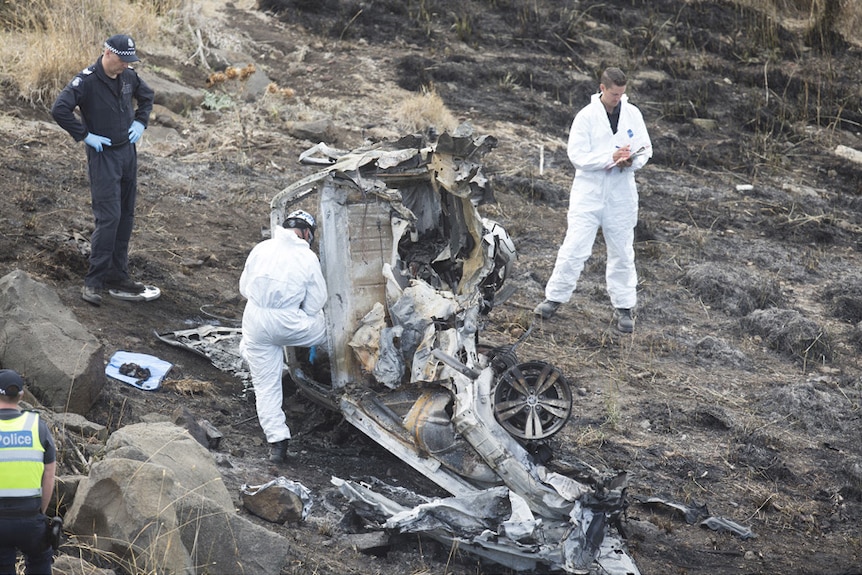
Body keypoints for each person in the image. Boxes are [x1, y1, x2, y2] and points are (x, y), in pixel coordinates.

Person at [534, 67, 652, 333]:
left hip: (621, 194)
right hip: (588, 195)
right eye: (613, 94)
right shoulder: (585, 117)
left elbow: (646, 148)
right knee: (574, 248)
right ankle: (553, 298)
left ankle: (624, 307)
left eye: (622, 94)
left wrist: (631, 161)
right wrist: (608, 159)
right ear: (602, 88)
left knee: (622, 252)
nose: (618, 98)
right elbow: (577, 156)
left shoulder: (633, 114)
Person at [51, 34, 155, 306]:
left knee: (126, 216)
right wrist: (85, 135)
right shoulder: (85, 81)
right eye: (122, 60)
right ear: (107, 53)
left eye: (129, 61)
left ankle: (117, 275)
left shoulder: (129, 76)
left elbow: (147, 97)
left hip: (127, 153)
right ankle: (93, 282)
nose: (125, 65)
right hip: (103, 155)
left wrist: (141, 122)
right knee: (109, 218)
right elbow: (59, 109)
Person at [239, 210, 328, 463]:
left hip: (255, 321)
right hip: (289, 323)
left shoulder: (261, 248)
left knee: (265, 386)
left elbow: (244, 288)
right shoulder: (307, 257)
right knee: (323, 325)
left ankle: (277, 444)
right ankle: (322, 366)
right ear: (307, 233)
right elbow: (315, 303)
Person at [0, 369, 57, 575]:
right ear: (21, 395)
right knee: (40, 561)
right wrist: (39, 512)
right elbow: (49, 474)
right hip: (30, 518)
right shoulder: (37, 426)